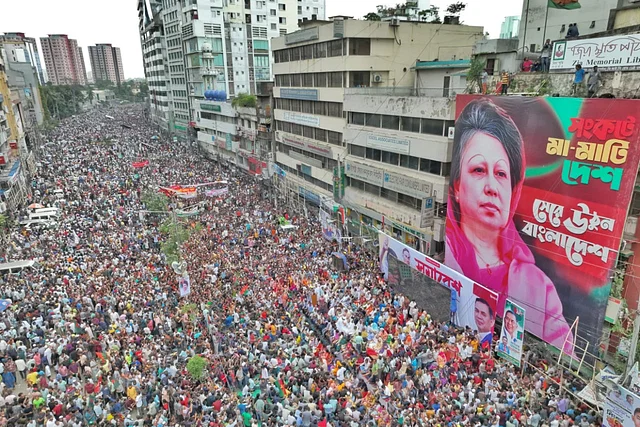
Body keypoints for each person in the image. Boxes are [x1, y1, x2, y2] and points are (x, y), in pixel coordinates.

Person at [444, 99, 573, 352]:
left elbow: (562, 356)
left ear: (513, 191)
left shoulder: (540, 288)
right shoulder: (449, 255)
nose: (492, 187)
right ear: (457, 186)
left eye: (501, 174)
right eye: (479, 169)